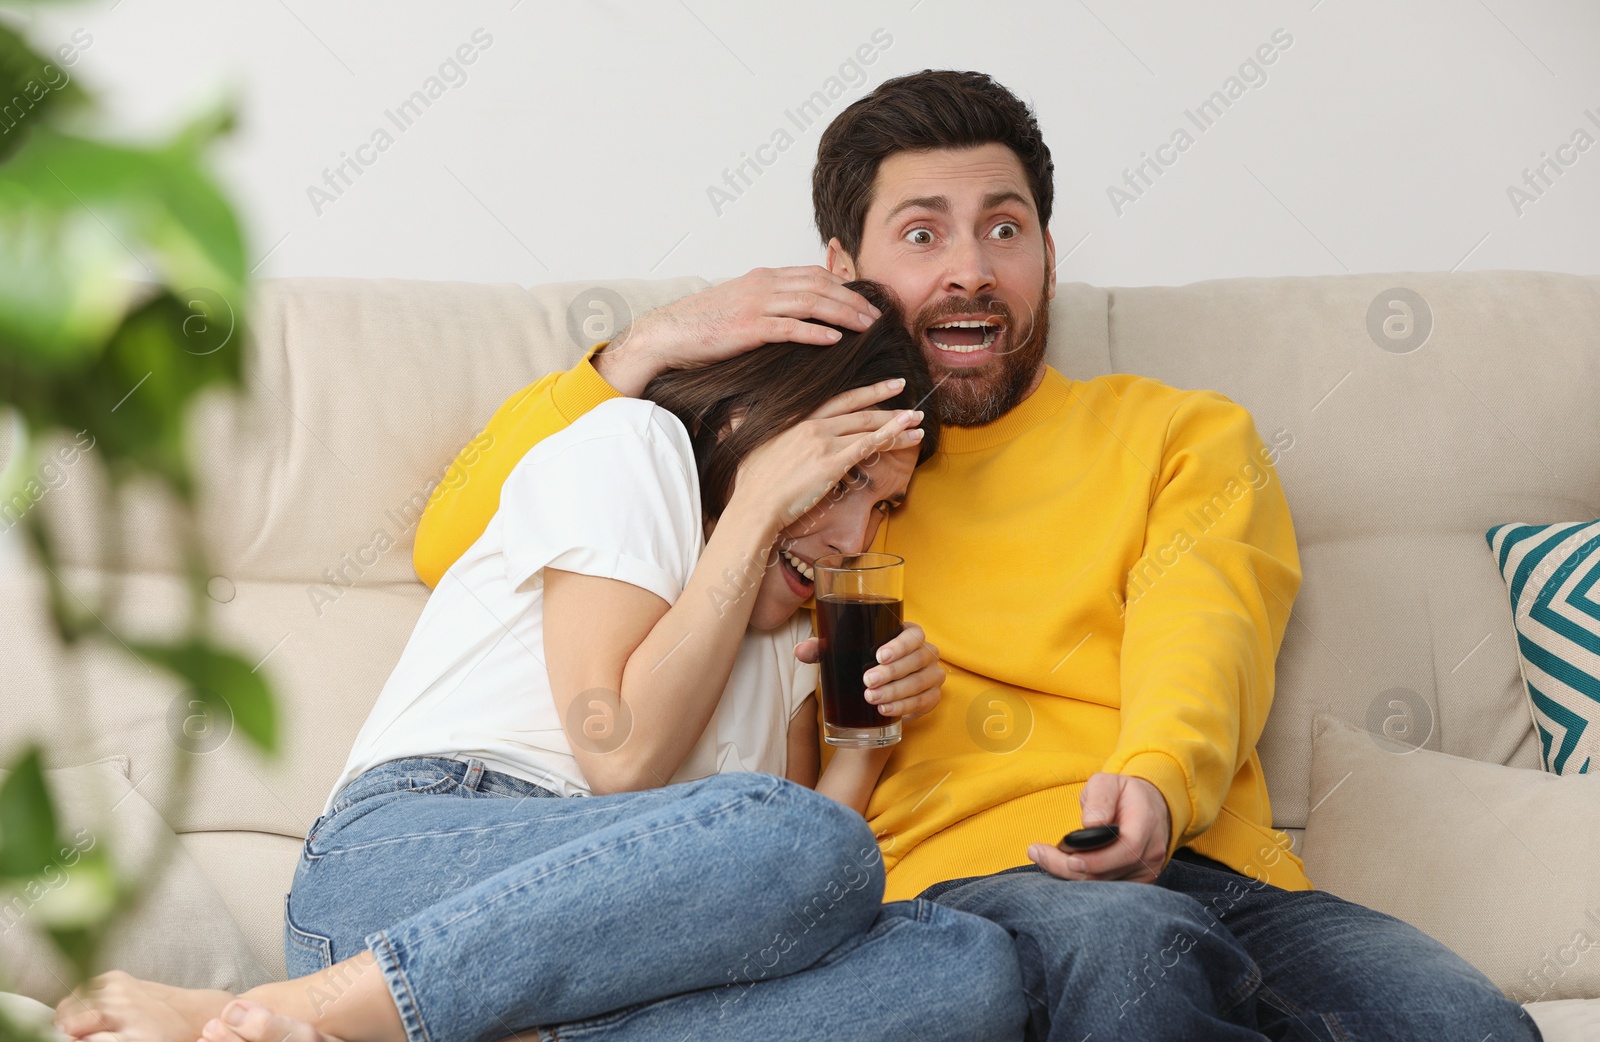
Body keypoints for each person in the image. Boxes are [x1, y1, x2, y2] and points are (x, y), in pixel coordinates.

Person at [396, 70, 1544, 1041]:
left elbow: (1209, 632)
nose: (970, 268)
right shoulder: (815, 462)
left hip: (1198, 862)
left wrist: (1150, 782)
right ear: (842, 267)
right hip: (951, 891)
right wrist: (639, 350)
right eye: (922, 232)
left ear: (1046, 251)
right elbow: (457, 542)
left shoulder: (1179, 433)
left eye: (1005, 227)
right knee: (1130, 964)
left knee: (1462, 1016)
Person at [50, 285, 1029, 1042]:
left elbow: (792, 905)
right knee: (810, 840)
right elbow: (619, 754)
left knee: (970, 969)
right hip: (412, 867)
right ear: (750, 424)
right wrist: (755, 517)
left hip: (571, 965)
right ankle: (283, 1003)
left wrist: (862, 744)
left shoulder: (793, 639)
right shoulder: (633, 450)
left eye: (884, 503)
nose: (855, 531)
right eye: (842, 475)